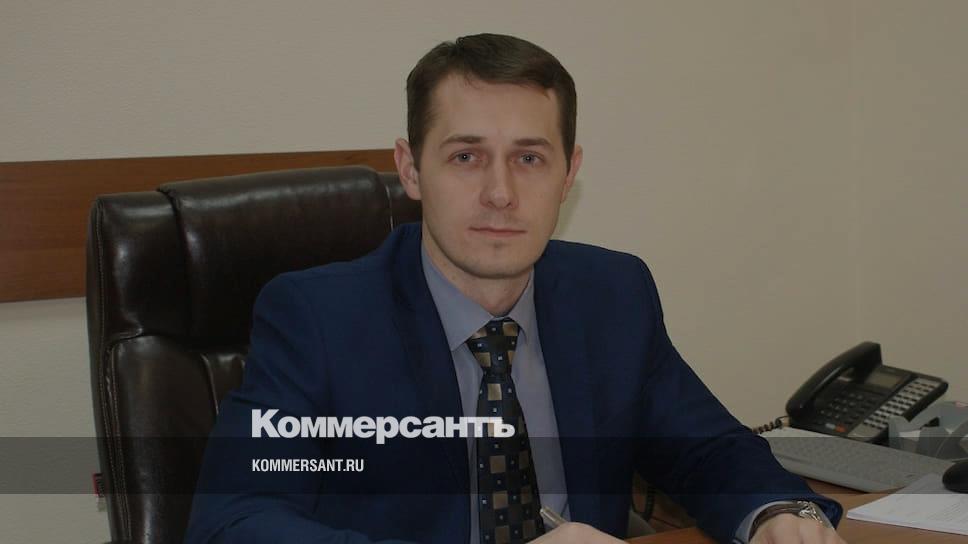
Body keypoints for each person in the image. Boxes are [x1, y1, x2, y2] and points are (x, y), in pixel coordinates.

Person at [186, 33, 846, 544]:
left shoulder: (611, 295)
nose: (500, 193)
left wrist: (776, 513)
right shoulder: (319, 319)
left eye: (529, 158)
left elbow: (707, 450)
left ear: (569, 173)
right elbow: (236, 521)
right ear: (410, 169)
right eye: (466, 156)